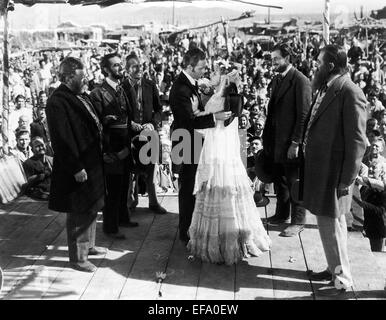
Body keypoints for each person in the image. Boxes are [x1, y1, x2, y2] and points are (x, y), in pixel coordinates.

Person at [187, 65, 271, 265]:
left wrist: (195, 110)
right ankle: (239, 238)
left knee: (215, 196)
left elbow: (203, 129)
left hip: (216, 157)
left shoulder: (217, 100)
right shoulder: (234, 101)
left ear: (223, 80)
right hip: (229, 157)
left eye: (216, 74)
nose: (212, 76)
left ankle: (218, 243)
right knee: (232, 200)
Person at [302, 45, 367, 296]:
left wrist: (347, 179)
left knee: (334, 224)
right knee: (326, 223)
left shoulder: (350, 92)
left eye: (319, 63)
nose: (316, 67)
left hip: (335, 173)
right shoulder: (330, 87)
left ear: (330, 66)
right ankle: (333, 268)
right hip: (322, 168)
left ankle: (342, 278)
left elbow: (357, 141)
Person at [46, 57, 105, 273]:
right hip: (77, 165)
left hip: (92, 162)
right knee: (79, 210)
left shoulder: (81, 96)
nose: (86, 79)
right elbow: (61, 139)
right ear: (69, 77)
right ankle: (78, 258)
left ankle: (88, 246)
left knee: (91, 206)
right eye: (82, 76)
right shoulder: (57, 101)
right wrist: (76, 167)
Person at [169, 48, 231, 244]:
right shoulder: (180, 89)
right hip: (186, 140)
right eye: (201, 68)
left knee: (193, 184)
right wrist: (214, 116)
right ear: (189, 67)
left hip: (194, 139)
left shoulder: (191, 83)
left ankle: (191, 225)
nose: (204, 71)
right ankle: (185, 230)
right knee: (188, 186)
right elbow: (188, 121)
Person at [262, 43, 312, 237]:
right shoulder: (277, 79)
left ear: (287, 59)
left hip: (290, 142)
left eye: (276, 59)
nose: (273, 62)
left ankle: (298, 221)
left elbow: (304, 115)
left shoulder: (300, 81)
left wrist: (296, 142)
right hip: (276, 140)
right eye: (272, 58)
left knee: (295, 180)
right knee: (280, 179)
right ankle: (281, 214)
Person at [90, 52, 138, 241]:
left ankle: (123, 218)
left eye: (120, 64)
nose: (120, 68)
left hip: (125, 147)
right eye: (116, 65)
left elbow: (128, 115)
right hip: (112, 150)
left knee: (124, 185)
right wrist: (110, 151)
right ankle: (111, 228)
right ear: (106, 70)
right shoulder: (98, 93)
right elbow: (96, 125)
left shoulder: (121, 89)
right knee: (113, 189)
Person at [122, 53, 167, 215]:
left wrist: (152, 123)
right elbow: (119, 112)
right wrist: (130, 124)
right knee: (130, 169)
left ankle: (153, 202)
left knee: (151, 168)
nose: (138, 68)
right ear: (127, 70)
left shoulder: (150, 84)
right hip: (130, 134)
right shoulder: (122, 88)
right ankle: (131, 201)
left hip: (149, 134)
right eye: (134, 66)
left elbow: (159, 109)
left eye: (140, 65)